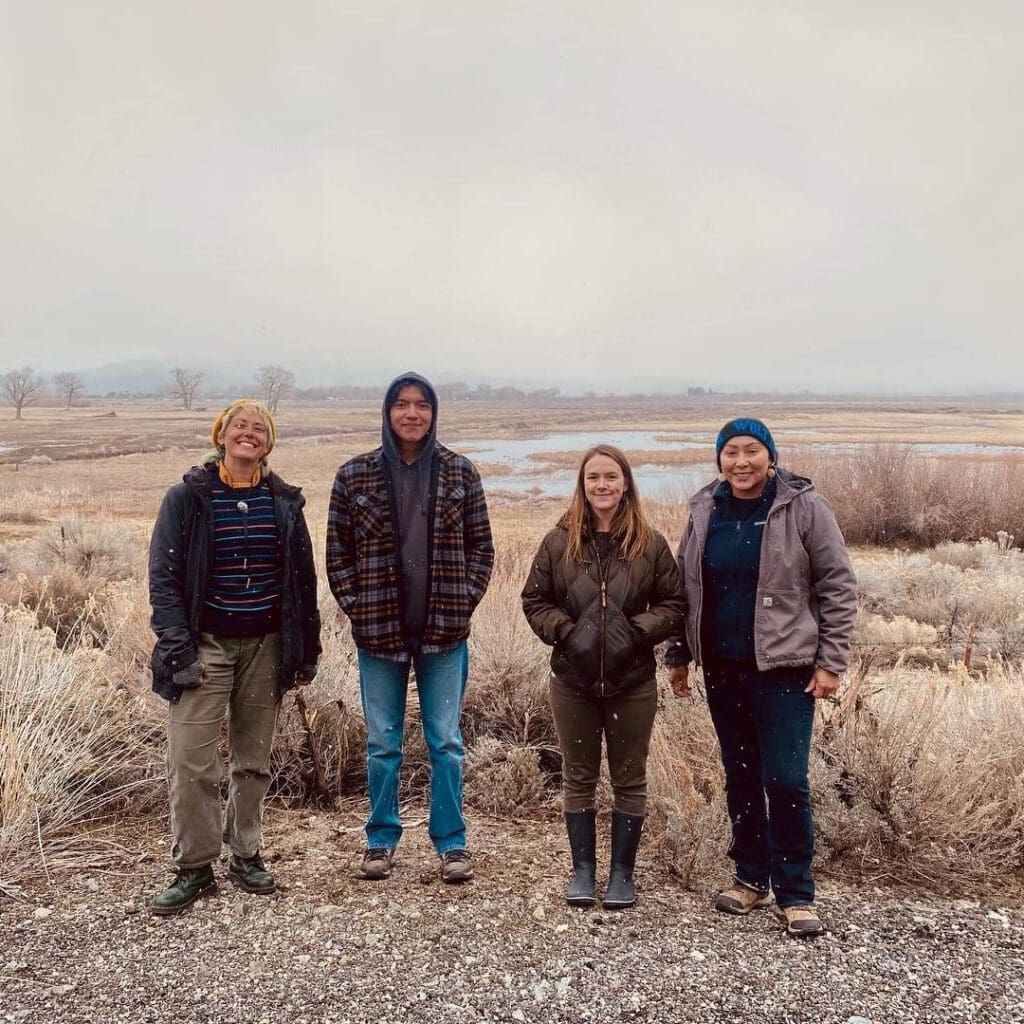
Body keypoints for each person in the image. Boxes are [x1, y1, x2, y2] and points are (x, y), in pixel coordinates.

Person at [666, 417, 857, 938]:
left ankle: (796, 893)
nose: (741, 462)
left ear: (770, 457)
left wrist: (831, 661)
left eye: (752, 451)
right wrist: (679, 654)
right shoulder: (705, 510)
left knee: (787, 780)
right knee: (742, 776)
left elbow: (838, 586)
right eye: (731, 452)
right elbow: (686, 588)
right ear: (719, 460)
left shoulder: (803, 507)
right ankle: (751, 877)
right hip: (724, 669)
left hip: (785, 670)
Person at [147, 398, 322, 916]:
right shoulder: (188, 497)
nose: (249, 433)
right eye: (239, 426)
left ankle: (245, 853)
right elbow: (164, 579)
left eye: (259, 428)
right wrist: (177, 648)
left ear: (268, 443)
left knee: (253, 760)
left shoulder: (284, 501)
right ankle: (195, 867)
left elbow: (302, 582)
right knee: (190, 759)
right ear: (220, 435)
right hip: (205, 644)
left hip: (265, 645)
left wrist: (304, 650)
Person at [326, 372, 494, 884]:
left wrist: (462, 603)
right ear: (387, 411)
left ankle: (451, 843)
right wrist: (359, 607)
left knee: (445, 741)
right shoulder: (354, 475)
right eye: (402, 404)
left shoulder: (461, 473)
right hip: (380, 636)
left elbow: (482, 550)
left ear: (434, 412)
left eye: (422, 404)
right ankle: (380, 841)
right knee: (382, 743)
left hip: (444, 634)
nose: (412, 413)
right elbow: (338, 555)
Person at [521, 445, 683, 909]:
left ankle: (622, 876)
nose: (602, 485)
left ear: (626, 483)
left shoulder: (649, 543)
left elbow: (674, 604)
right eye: (593, 478)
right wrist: (568, 634)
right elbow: (534, 601)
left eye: (611, 476)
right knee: (579, 777)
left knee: (630, 779)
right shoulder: (559, 541)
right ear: (582, 484)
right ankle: (583, 872)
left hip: (633, 682)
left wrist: (635, 633)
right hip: (572, 680)